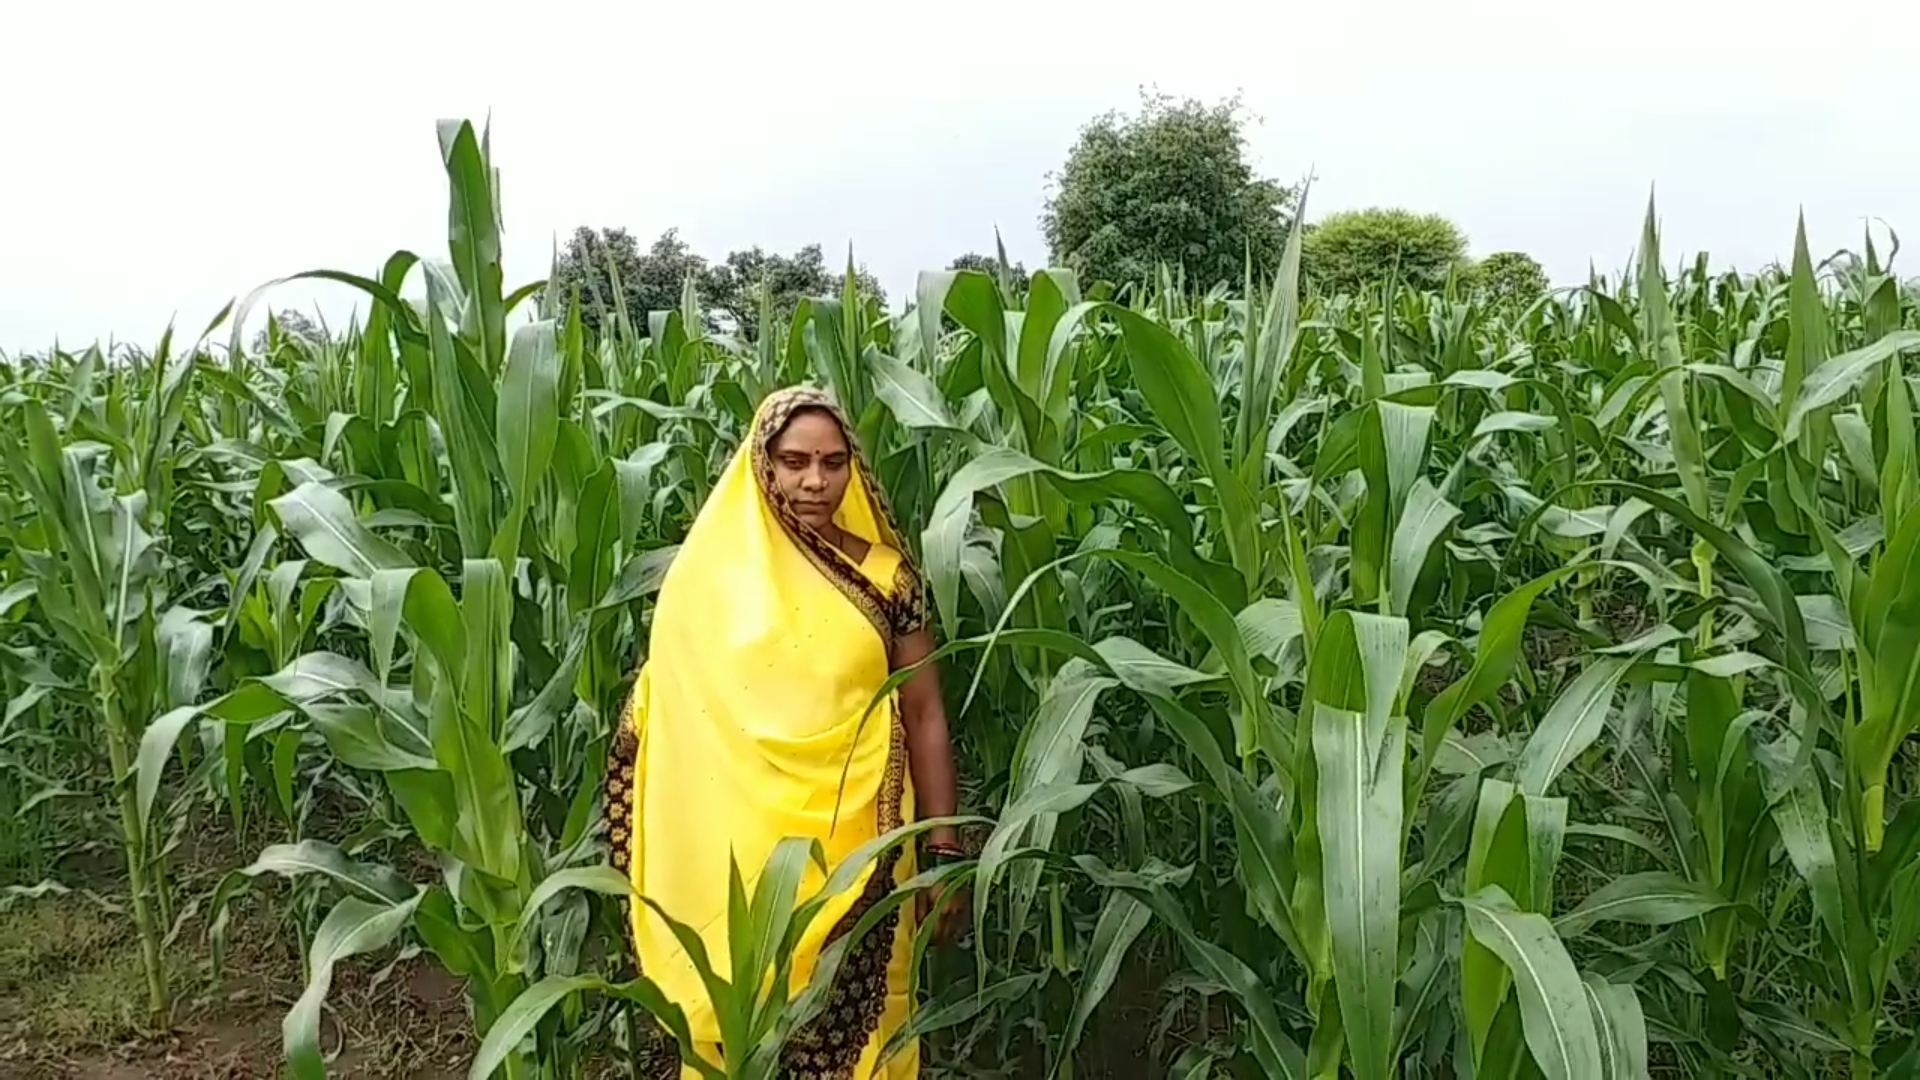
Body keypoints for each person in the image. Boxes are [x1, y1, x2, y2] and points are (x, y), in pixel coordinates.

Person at [603, 386, 965, 1079]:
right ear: (760, 466)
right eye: (794, 461)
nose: (814, 482)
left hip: (866, 855)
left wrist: (944, 848)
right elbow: (677, 716)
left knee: (871, 1040)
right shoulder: (706, 586)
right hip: (735, 861)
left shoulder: (887, 578)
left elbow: (923, 711)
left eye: (833, 463)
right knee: (741, 1033)